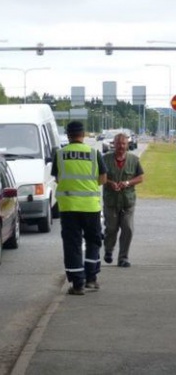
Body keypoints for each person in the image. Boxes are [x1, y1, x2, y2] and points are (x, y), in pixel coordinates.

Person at [52, 121, 107, 295]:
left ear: (68, 135)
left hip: (69, 208)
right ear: (83, 135)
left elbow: (58, 179)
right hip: (90, 206)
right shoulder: (94, 153)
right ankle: (91, 279)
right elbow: (103, 179)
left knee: (72, 244)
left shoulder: (60, 154)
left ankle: (77, 284)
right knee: (93, 241)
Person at [103, 132, 144, 268]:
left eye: (123, 143)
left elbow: (140, 178)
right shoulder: (105, 159)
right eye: (118, 143)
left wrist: (127, 183)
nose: (121, 146)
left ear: (127, 145)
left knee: (127, 228)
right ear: (113, 144)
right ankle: (108, 250)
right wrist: (110, 183)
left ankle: (123, 257)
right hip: (111, 201)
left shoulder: (134, 159)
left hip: (127, 201)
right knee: (111, 228)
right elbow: (100, 178)